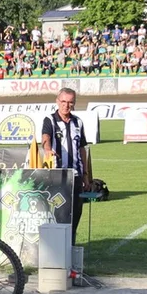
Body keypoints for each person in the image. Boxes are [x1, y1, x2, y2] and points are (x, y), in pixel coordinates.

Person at [41, 87, 92, 244]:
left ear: (74, 103)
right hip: (58, 177)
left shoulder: (78, 122)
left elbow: (82, 148)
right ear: (57, 101)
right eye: (63, 101)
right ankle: (58, 250)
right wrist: (48, 150)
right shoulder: (50, 120)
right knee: (60, 215)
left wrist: (86, 176)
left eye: (70, 102)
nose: (66, 105)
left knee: (76, 214)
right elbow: (45, 138)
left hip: (76, 176)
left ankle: (70, 248)